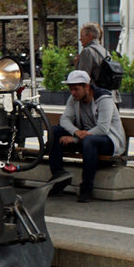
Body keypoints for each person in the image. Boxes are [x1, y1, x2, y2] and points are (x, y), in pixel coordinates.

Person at [47, 69, 126, 203]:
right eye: (70, 89)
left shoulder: (104, 99)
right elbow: (64, 120)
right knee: (55, 131)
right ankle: (60, 177)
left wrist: (75, 139)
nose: (73, 93)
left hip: (108, 140)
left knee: (89, 141)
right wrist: (76, 132)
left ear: (87, 87)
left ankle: (86, 188)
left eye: (76, 89)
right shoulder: (74, 98)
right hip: (85, 138)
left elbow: (102, 129)